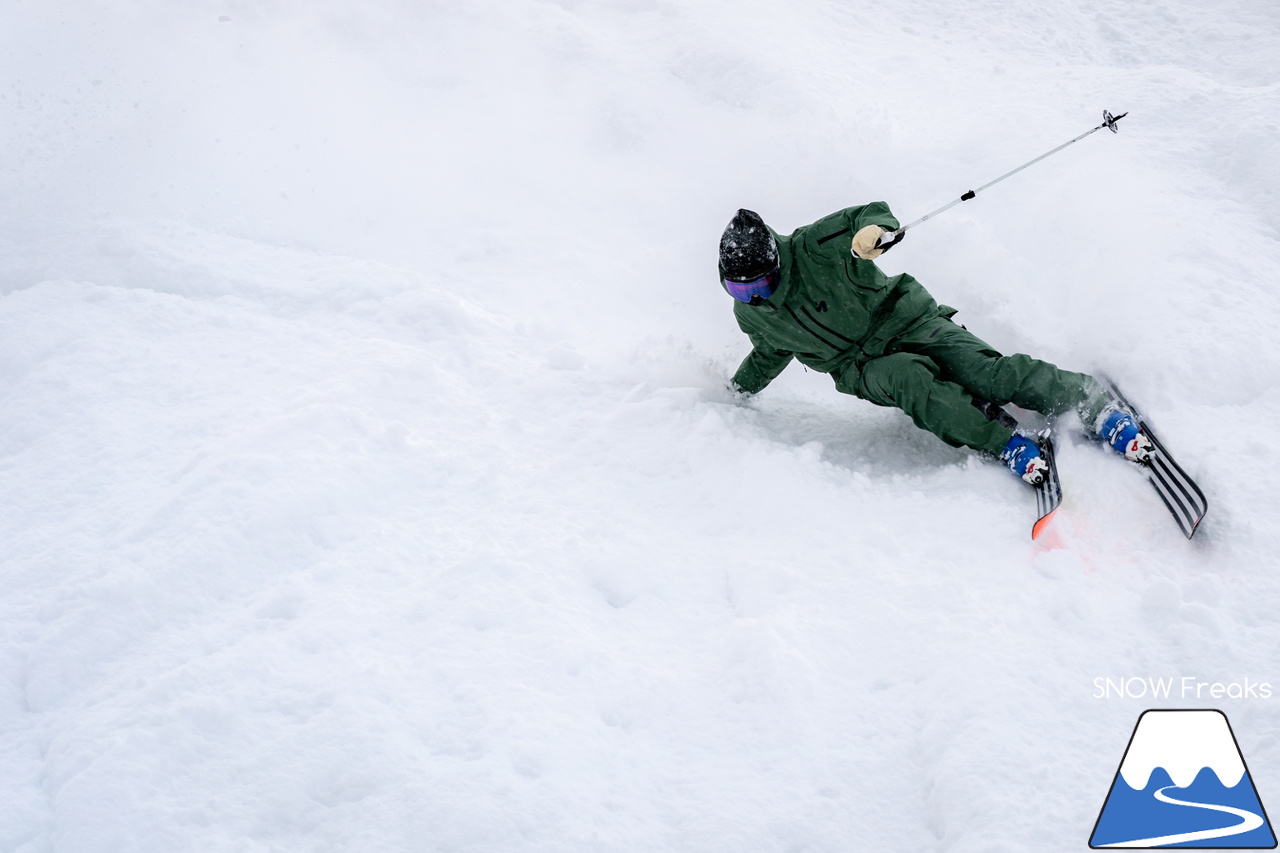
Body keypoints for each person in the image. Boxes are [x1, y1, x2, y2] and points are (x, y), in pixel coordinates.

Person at [718, 205, 1152, 484]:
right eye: (741, 291)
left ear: (776, 259)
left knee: (985, 373)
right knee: (913, 381)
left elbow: (871, 214)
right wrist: (736, 393)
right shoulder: (753, 313)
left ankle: (1092, 404)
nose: (757, 296)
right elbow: (769, 352)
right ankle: (1003, 441)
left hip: (906, 318)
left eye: (762, 283)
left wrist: (873, 231)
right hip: (861, 367)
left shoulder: (813, 246)